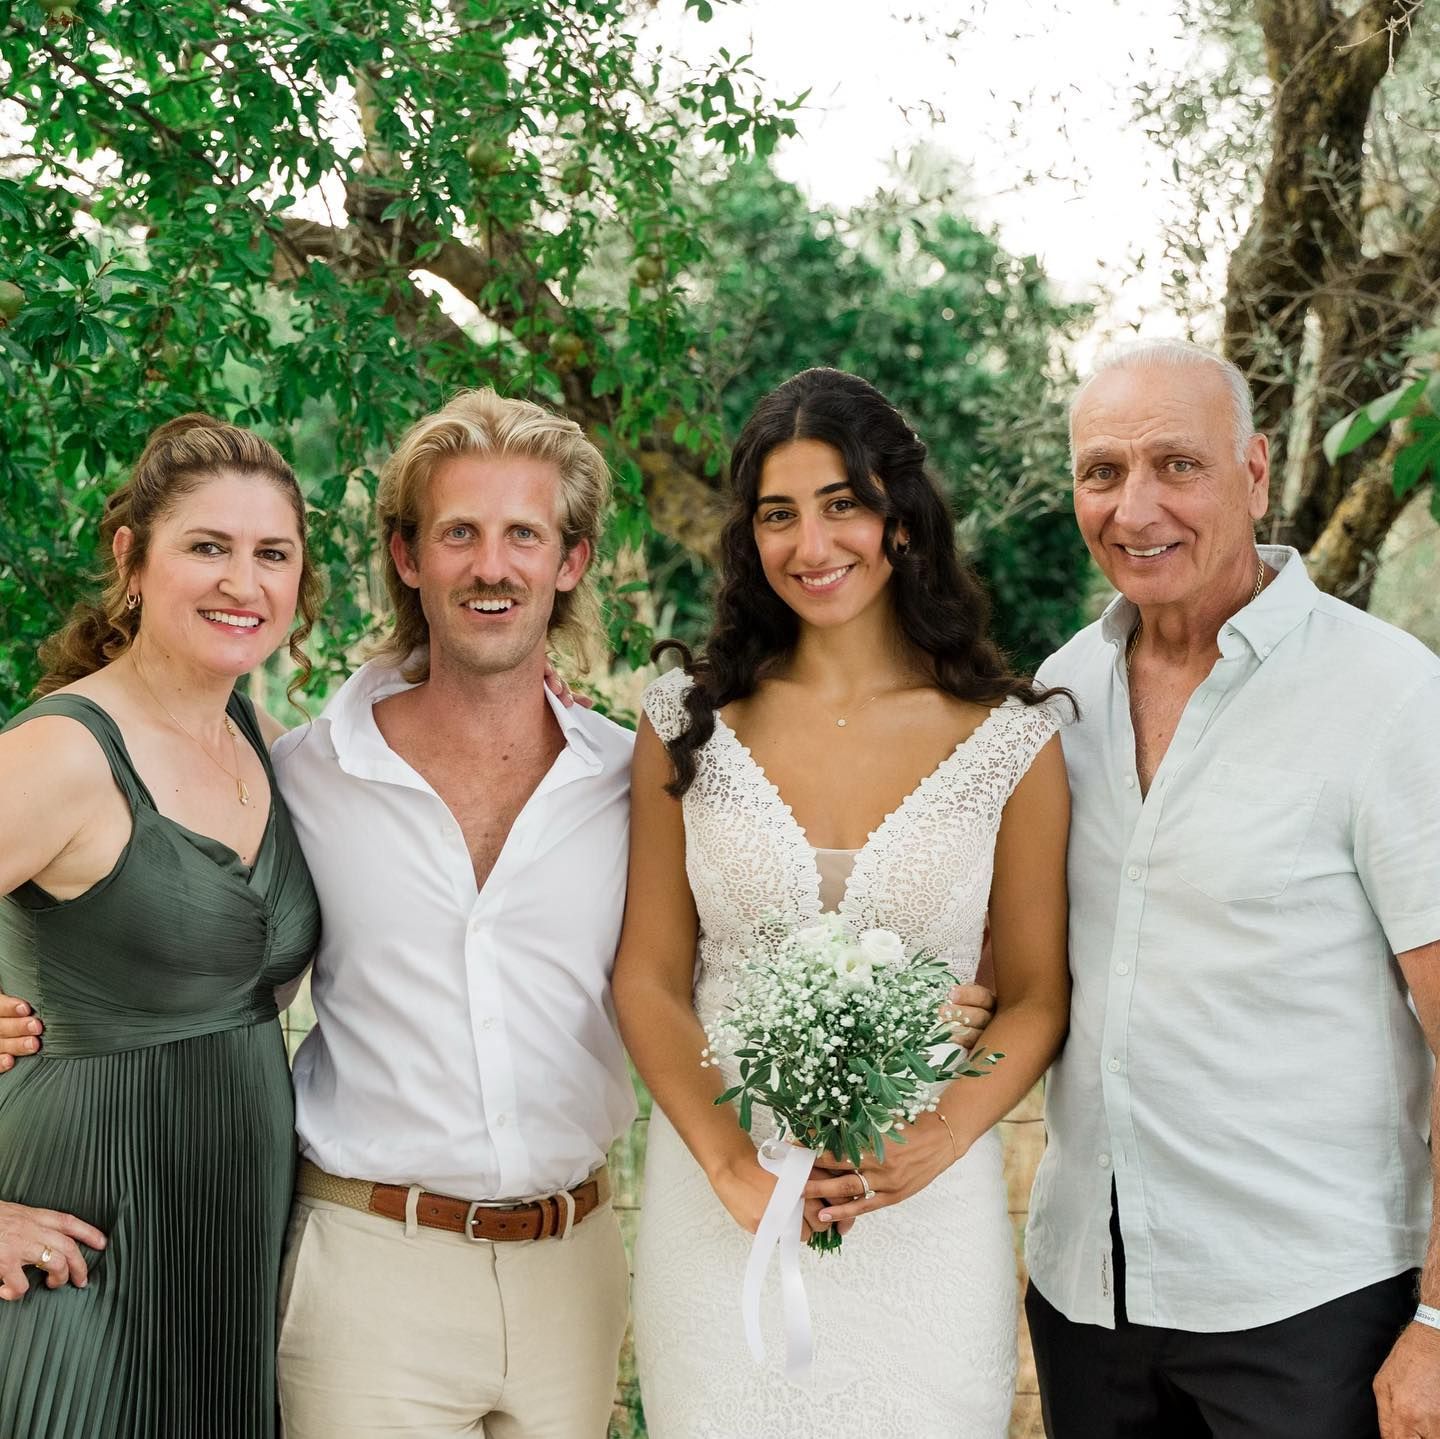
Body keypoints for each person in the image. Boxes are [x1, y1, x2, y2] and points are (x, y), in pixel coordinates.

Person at [613, 367, 1073, 1438]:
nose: (811, 544)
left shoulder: (1011, 739)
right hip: (723, 1208)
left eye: (842, 504)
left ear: (900, 518)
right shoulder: (684, 721)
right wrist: (732, 1167)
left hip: (923, 1216)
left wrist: (932, 1140)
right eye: (778, 514)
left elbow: (1038, 996)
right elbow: (646, 977)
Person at [1024, 339, 1440, 1439]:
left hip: (1311, 1308)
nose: (1135, 507)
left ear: (1254, 472)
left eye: (1178, 464)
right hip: (1087, 1294)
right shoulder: (1060, 694)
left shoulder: (1391, 696)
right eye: (1102, 472)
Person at [0, 415, 322, 1438]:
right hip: (78, 1240)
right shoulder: (64, 752)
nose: (243, 581)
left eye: (272, 554)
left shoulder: (263, 739)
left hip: (229, 1249)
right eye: (207, 546)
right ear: (131, 561)